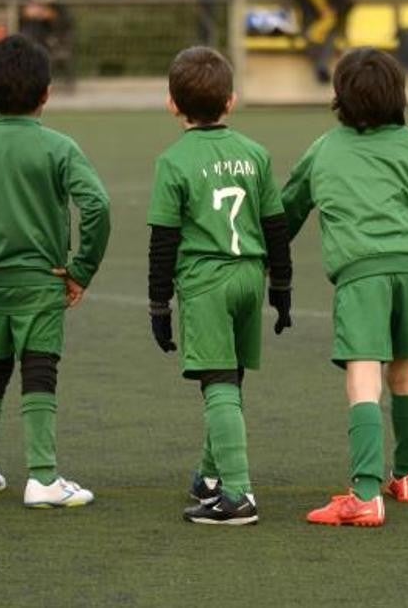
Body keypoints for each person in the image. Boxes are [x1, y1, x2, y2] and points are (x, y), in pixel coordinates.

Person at [282, 48, 408, 527]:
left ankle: (364, 492)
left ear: (338, 99)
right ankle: (406, 476)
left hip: (360, 273)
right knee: (403, 375)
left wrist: (256, 251)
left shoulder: (325, 148)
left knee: (364, 380)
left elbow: (285, 212)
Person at [0, 35, 110, 508]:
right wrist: (82, 268)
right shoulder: (58, 147)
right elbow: (96, 204)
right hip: (42, 281)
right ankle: (43, 477)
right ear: (46, 93)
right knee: (39, 368)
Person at [146, 46, 293, 526]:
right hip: (251, 277)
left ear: (172, 104)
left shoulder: (172, 162)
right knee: (230, 381)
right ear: (231, 101)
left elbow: (163, 243)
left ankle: (239, 495)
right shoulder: (255, 154)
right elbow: (276, 226)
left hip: (206, 282)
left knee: (218, 384)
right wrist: (282, 289)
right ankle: (210, 477)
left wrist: (158, 306)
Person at [286, 0, 353, 84]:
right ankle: (321, 68)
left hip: (330, 29)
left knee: (327, 41)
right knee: (316, 41)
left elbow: (348, 2)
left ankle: (320, 67)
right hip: (309, 28)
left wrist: (334, 10)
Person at [19, 0, 73, 77]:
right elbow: (16, 17)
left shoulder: (58, 3)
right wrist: (26, 14)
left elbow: (66, 23)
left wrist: (50, 15)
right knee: (27, 37)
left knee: (33, 41)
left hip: (51, 39)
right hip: (27, 36)